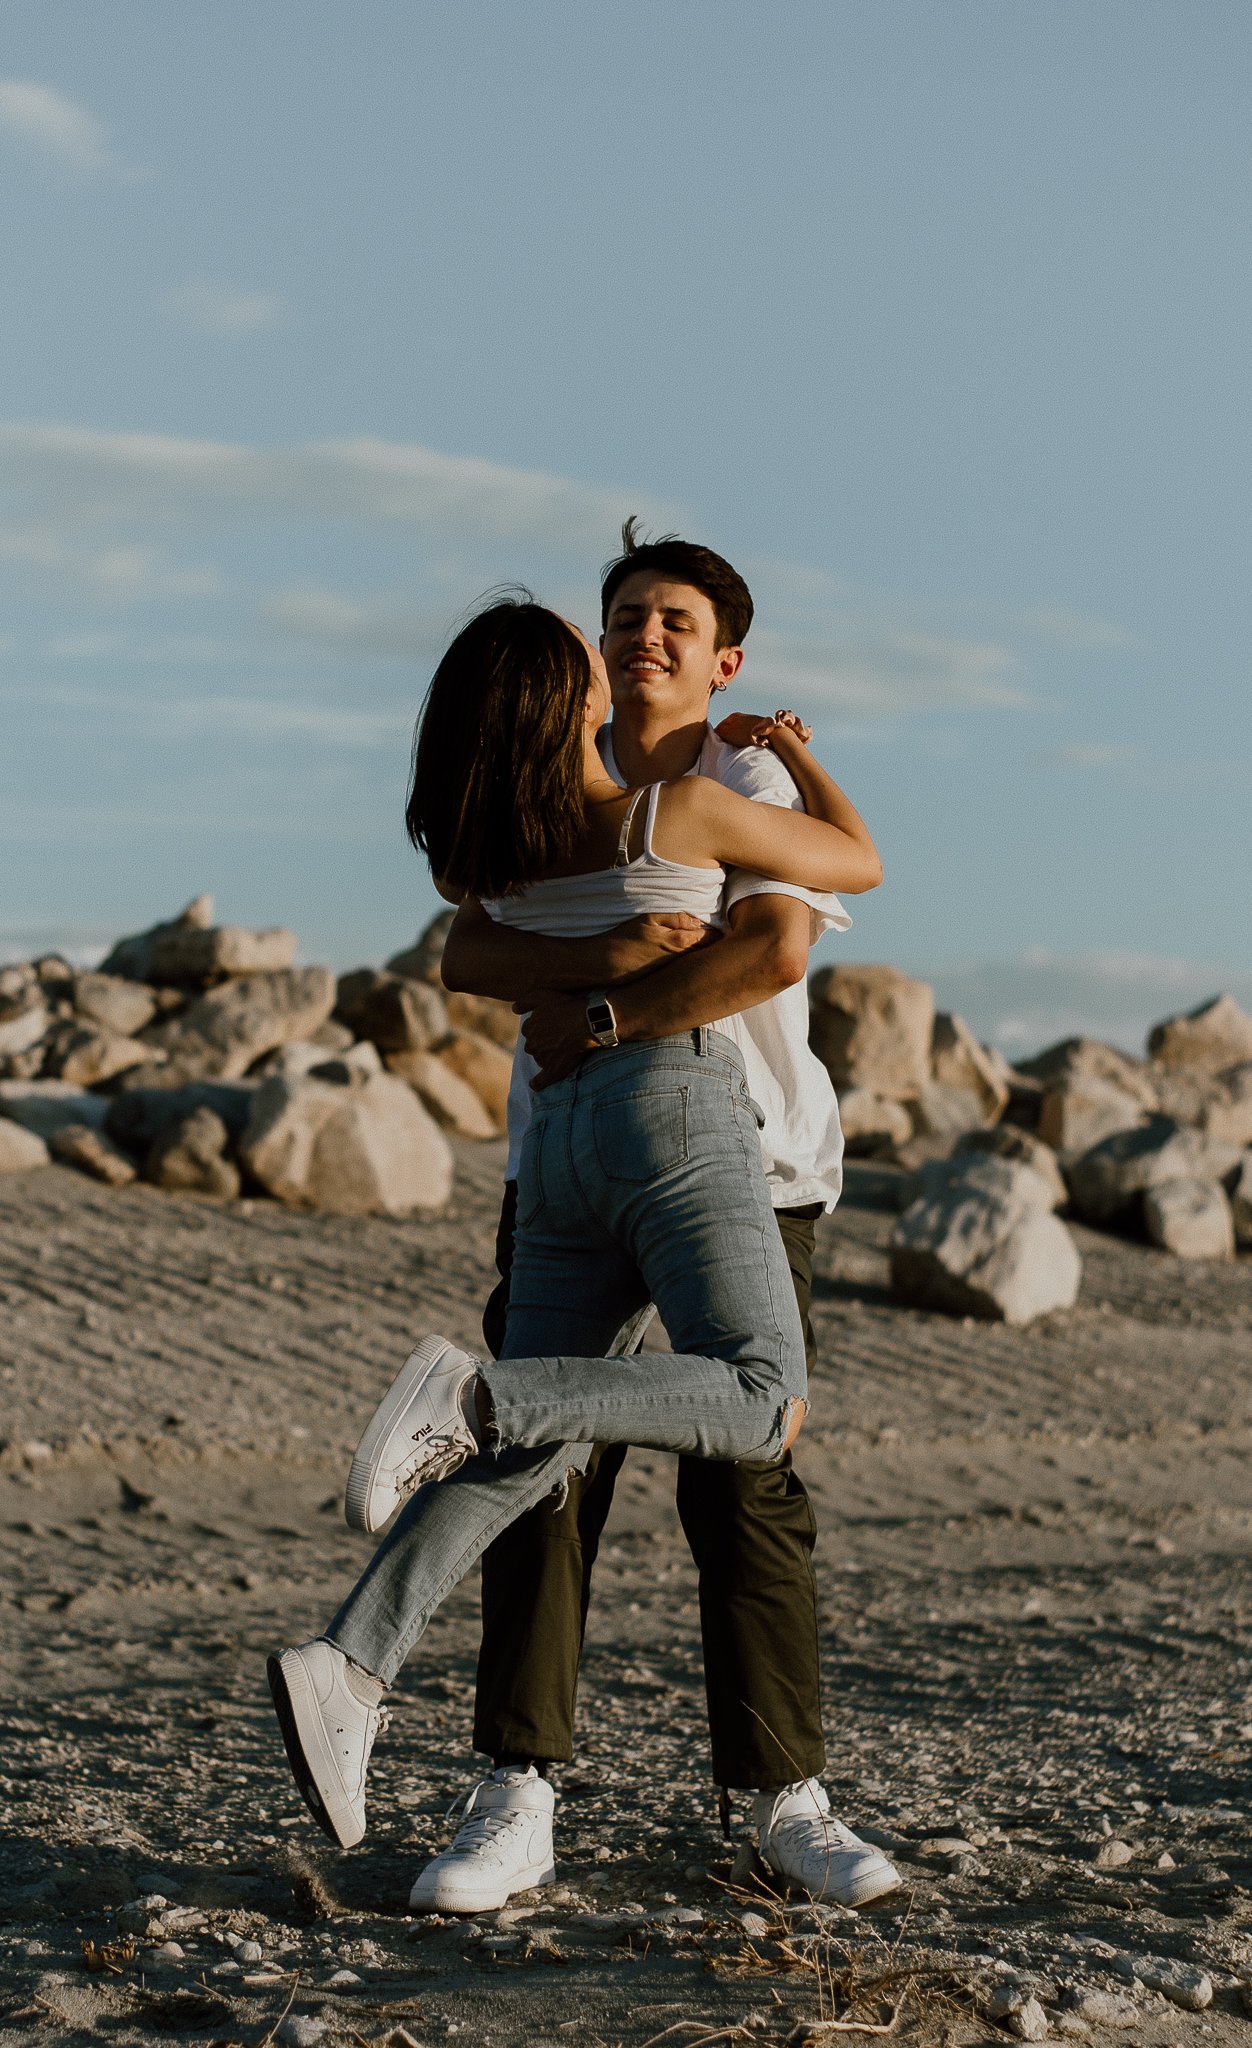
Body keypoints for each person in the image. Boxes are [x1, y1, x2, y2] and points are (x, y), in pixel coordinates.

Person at [267, 591, 887, 1910]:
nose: (632, 642)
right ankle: (515, 1783)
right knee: (747, 1405)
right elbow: (849, 870)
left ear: (723, 654)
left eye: (669, 619)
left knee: (583, 1469)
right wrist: (622, 991)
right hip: (669, 1121)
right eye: (612, 626)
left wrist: (591, 980)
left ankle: (355, 1663)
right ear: (584, 687)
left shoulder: (540, 822)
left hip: (610, 1147)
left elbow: (483, 936)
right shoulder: (675, 812)